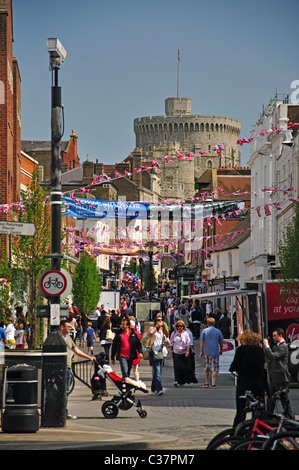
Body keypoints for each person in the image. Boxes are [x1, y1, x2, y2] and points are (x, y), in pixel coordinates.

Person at [229, 330, 266, 427]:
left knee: (241, 410)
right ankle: (258, 430)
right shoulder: (260, 350)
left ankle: (237, 434)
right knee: (259, 409)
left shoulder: (241, 350)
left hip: (244, 383)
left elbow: (234, 366)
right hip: (258, 383)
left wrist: (233, 369)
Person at [60, 319, 96, 419]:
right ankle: (61, 412)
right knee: (60, 391)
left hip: (67, 368)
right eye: (68, 327)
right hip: (59, 368)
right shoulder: (57, 338)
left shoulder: (68, 338)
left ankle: (64, 412)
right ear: (62, 327)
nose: (70, 328)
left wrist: (89, 357)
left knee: (66, 391)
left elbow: (77, 351)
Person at [263, 328, 294, 418]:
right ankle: (268, 416)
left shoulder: (283, 347)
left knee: (283, 399)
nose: (273, 338)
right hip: (274, 377)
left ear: (280, 336)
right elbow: (269, 356)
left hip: (281, 377)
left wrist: (267, 346)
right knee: (270, 399)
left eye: (275, 336)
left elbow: (273, 356)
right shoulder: (276, 346)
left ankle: (291, 418)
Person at [170, 320, 195, 387]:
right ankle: (176, 380)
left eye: (181, 326)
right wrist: (170, 350)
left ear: (183, 326)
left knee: (182, 367)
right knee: (176, 367)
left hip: (183, 352)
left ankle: (181, 381)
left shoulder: (185, 334)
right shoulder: (174, 333)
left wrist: (187, 351)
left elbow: (188, 344)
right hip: (176, 352)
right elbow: (171, 342)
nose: (179, 327)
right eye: (178, 326)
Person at [148, 316, 170, 395]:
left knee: (158, 372)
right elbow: (150, 332)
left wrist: (167, 342)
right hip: (155, 352)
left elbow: (168, 341)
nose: (160, 321)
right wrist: (156, 326)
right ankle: (159, 389)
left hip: (162, 353)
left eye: (161, 320)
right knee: (157, 371)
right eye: (158, 320)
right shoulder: (153, 329)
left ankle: (153, 387)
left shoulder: (164, 331)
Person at [199, 317, 223, 388]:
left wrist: (201, 351)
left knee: (206, 367)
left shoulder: (204, 331)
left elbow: (201, 342)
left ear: (207, 323)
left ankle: (206, 383)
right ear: (214, 323)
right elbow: (221, 341)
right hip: (215, 351)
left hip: (206, 351)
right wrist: (221, 349)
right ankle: (214, 383)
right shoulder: (218, 331)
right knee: (214, 368)